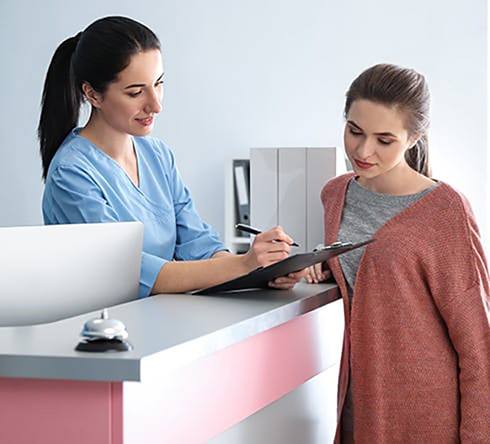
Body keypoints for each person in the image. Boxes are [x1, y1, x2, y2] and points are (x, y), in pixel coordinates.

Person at [39, 16, 306, 298]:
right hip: (103, 332)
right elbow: (134, 274)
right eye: (135, 92)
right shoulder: (71, 173)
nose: (156, 105)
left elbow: (199, 244)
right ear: (92, 94)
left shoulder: (157, 155)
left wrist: (265, 268)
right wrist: (245, 263)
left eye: (159, 83)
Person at [307, 64, 489, 442]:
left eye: (384, 140)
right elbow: (375, 280)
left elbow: (479, 344)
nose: (363, 150)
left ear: (413, 138)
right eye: (354, 131)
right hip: (358, 406)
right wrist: (319, 265)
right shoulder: (334, 195)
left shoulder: (446, 211)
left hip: (426, 419)